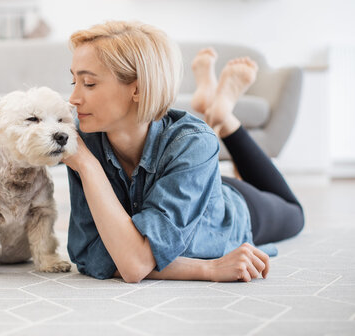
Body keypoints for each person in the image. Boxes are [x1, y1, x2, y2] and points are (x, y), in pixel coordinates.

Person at [62, 20, 304, 283]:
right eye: (74, 80)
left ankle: (225, 118)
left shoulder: (193, 143)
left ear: (138, 88)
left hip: (225, 206)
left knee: (295, 215)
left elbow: (132, 264)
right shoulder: (83, 143)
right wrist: (207, 269)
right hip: (185, 179)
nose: (72, 98)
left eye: (88, 83)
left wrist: (88, 166)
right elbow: (91, 256)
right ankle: (215, 106)